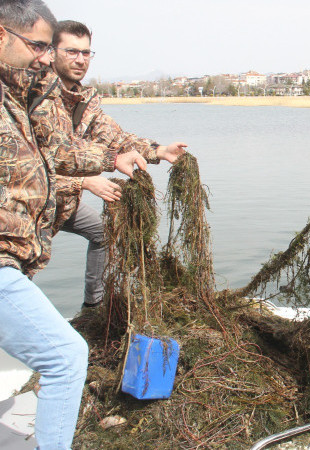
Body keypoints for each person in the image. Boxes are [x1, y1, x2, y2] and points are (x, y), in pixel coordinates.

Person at [0, 1, 146, 448]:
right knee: (65, 355)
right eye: (39, 46)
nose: (46, 57)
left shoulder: (9, 91)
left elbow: (57, 151)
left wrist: (116, 158)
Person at [50, 20, 188, 309]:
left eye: (86, 53)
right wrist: (84, 182)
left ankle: (93, 307)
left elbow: (115, 137)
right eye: (72, 51)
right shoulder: (35, 97)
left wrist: (159, 150)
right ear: (51, 52)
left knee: (101, 232)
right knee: (21, 272)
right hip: (28, 208)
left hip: (63, 202)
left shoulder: (83, 100)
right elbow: (32, 166)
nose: (80, 59)